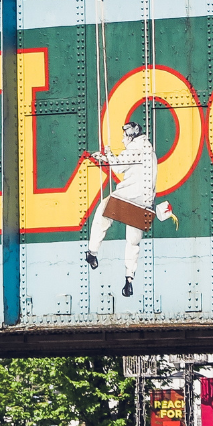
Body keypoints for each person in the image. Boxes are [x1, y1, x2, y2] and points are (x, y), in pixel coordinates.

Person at [84, 121, 160, 297]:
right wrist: (105, 159)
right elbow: (129, 163)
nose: (122, 140)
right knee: (133, 242)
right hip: (145, 203)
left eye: (124, 136)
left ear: (131, 136)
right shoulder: (149, 150)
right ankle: (129, 279)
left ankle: (92, 252)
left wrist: (108, 153)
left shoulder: (135, 147)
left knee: (102, 213)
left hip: (127, 197)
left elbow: (118, 167)